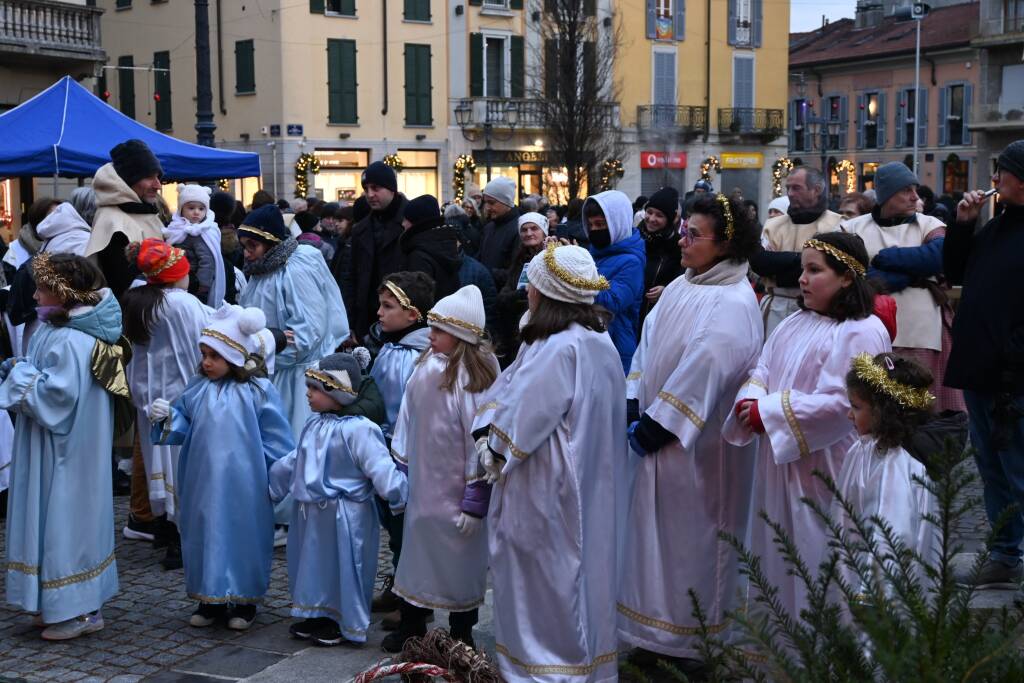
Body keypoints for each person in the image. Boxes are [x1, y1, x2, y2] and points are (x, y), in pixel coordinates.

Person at [619, 194, 763, 665]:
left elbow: (706, 367)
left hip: (698, 448)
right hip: (660, 433)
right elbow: (649, 340)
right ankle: (654, 634)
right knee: (653, 543)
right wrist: (634, 397)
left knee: (693, 545)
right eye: (683, 231)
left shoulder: (733, 301)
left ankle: (692, 645)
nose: (682, 240)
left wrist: (658, 423)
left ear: (724, 244)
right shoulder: (686, 283)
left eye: (692, 235)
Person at [472, 244, 625, 682]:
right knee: (575, 579)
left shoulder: (558, 347)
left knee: (544, 583)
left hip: (547, 481)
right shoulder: (595, 339)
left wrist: (493, 446)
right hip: (585, 480)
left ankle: (547, 672)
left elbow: (524, 412)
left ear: (545, 292)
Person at [722, 231, 891, 618]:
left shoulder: (861, 331)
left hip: (826, 466)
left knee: (817, 552)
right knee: (776, 550)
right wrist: (750, 399)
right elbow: (762, 367)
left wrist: (769, 413)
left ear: (847, 277)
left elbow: (841, 403)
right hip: (780, 462)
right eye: (802, 269)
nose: (802, 279)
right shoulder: (796, 321)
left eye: (814, 270)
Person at [148, 304, 295, 631]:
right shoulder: (196, 389)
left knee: (244, 535)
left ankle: (244, 600)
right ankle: (209, 599)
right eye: (203, 354)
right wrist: (166, 417)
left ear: (235, 356)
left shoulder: (258, 392)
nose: (206, 363)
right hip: (202, 482)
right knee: (204, 533)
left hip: (247, 483)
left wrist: (276, 480)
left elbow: (277, 439)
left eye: (214, 356)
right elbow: (182, 426)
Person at [1, 253, 123, 640]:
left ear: (64, 293)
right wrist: (22, 367)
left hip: (67, 450)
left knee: (67, 518)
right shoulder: (57, 330)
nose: (34, 296)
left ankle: (80, 609)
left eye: (41, 288)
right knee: (53, 516)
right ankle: (54, 602)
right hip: (54, 445)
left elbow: (57, 397)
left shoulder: (72, 338)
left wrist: (19, 376)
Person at [384, 285, 499, 653]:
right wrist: (399, 466)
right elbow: (408, 415)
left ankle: (461, 631)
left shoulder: (474, 379)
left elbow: (481, 441)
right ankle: (413, 623)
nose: (430, 336)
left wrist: (475, 497)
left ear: (461, 335)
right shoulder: (426, 366)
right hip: (423, 486)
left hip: (456, 491)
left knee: (460, 563)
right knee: (416, 557)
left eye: (438, 331)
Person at [269, 352, 406, 647]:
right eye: (309, 387)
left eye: (316, 388)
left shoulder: (360, 429)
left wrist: (397, 495)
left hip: (347, 514)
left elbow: (379, 465)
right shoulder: (315, 424)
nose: (309, 394)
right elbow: (298, 458)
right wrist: (272, 483)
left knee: (346, 565)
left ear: (337, 392)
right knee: (312, 564)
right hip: (312, 514)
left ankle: (341, 619)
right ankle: (316, 612)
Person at [944, 140, 1024, 588]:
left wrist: (1010, 356)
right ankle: (1005, 555)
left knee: (1018, 470)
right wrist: (963, 225)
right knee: (991, 468)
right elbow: (955, 272)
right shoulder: (998, 226)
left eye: (1002, 172)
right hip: (979, 369)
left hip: (1012, 377)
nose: (994, 180)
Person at [842, 161, 963, 412]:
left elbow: (938, 256)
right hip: (869, 328)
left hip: (920, 331)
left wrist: (885, 259)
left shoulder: (930, 225)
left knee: (920, 405)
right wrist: (910, 272)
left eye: (915, 189)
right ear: (887, 194)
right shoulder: (852, 227)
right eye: (906, 190)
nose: (914, 197)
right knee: (874, 404)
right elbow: (848, 273)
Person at [122, 239, 211, 570]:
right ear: (177, 276)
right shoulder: (182, 304)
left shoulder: (138, 302)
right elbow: (211, 331)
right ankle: (184, 537)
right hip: (182, 400)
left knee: (158, 463)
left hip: (150, 401)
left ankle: (165, 529)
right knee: (185, 467)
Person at [238, 205, 349, 438]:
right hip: (270, 371)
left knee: (294, 441)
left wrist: (266, 355)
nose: (247, 254)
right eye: (244, 246)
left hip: (297, 380)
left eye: (253, 246)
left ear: (270, 242)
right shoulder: (261, 271)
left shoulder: (295, 270)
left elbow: (308, 331)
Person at [835, 352, 936, 592]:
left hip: (877, 591)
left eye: (856, 407)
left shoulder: (896, 466)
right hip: (853, 570)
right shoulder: (862, 450)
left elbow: (891, 535)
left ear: (882, 412)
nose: (849, 414)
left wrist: (873, 592)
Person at [367, 271, 435, 627]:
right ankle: (399, 585)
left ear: (414, 314)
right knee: (395, 530)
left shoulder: (413, 357)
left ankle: (414, 603)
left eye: (388, 306)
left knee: (406, 530)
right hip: (385, 450)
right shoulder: (392, 348)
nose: (379, 313)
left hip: (404, 456)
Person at [751, 166, 843, 336]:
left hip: (819, 311)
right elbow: (760, 262)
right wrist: (804, 260)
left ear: (816, 190)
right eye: (788, 188)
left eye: (796, 188)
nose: (790, 193)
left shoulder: (836, 225)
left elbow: (832, 270)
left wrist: (778, 271)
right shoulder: (773, 225)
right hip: (776, 308)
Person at [85, 140, 166, 298]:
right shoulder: (113, 222)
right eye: (149, 177)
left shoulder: (144, 213)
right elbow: (123, 285)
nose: (158, 185)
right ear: (128, 181)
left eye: (158, 177)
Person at [582, 190, 646, 372]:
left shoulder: (631, 262)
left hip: (616, 345)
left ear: (616, 223)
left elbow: (613, 301)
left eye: (600, 224)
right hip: (592, 339)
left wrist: (573, 276)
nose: (594, 230)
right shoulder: (595, 251)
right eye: (590, 224)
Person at [350, 162, 409, 340]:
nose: (370, 194)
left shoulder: (410, 222)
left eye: (375, 188)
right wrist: (351, 320)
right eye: (366, 189)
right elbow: (352, 277)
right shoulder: (360, 229)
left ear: (392, 189)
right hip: (367, 318)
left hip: (403, 317)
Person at [493, 212, 547, 363]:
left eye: (534, 228)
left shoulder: (552, 257)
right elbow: (503, 297)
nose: (529, 233)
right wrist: (520, 294)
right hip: (515, 331)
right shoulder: (518, 260)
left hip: (540, 329)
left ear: (544, 232)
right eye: (524, 230)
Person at [165, 184, 227, 308]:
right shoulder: (175, 228)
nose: (196, 212)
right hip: (177, 281)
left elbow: (207, 261)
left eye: (201, 208)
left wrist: (202, 285)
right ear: (181, 209)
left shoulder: (202, 232)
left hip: (194, 285)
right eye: (191, 207)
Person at [637, 187, 683, 329]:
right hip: (631, 313)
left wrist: (666, 290)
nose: (651, 219)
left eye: (659, 215)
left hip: (656, 318)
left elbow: (683, 278)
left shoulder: (678, 245)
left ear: (670, 219)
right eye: (649, 212)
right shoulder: (634, 237)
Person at [400, 195, 461, 301]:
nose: (403, 224)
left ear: (417, 222)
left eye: (406, 219)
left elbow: (418, 300)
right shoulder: (445, 243)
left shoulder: (418, 255)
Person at [477, 176, 521, 290]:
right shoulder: (488, 228)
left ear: (506, 202)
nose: (487, 207)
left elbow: (516, 274)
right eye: (485, 202)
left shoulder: (521, 229)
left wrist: (485, 272)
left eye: (491, 203)